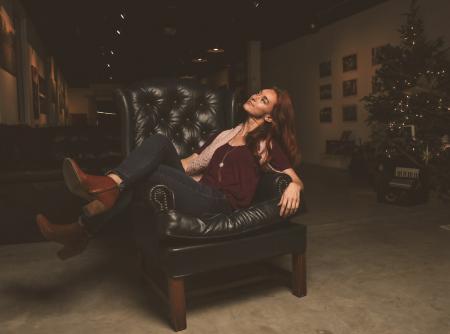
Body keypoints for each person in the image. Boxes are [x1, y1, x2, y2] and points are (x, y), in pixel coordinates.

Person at [36, 87, 304, 260]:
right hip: (199, 192)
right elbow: (192, 163)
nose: (255, 96)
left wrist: (293, 186)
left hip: (219, 203)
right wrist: (147, 164)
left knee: (144, 174)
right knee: (161, 144)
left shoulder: (266, 143)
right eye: (258, 93)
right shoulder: (225, 134)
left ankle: (84, 223)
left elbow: (295, 178)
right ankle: (110, 187)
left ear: (269, 117)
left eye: (264, 100)